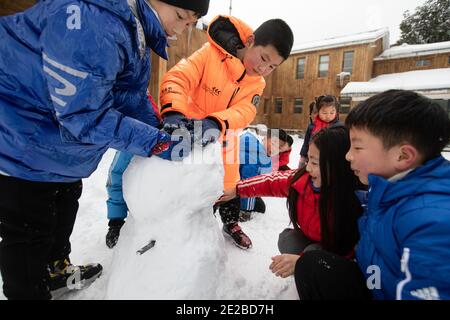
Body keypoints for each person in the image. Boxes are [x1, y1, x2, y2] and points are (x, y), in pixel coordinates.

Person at [0, 0, 209, 300]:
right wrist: (155, 142)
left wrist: (161, 127)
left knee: (64, 201)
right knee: (28, 227)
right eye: (179, 16)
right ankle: (28, 292)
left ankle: (55, 268)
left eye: (189, 24)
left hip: (53, 140)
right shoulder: (93, 19)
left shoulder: (131, 29)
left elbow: (130, 98)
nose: (179, 29)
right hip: (21, 134)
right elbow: (85, 115)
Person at [105, 15, 295, 250]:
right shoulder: (210, 54)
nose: (263, 68)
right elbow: (178, 77)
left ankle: (230, 223)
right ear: (251, 41)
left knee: (228, 186)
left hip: (224, 137)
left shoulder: (257, 84)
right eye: (264, 58)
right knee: (181, 187)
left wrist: (216, 123)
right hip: (189, 132)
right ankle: (153, 232)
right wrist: (174, 111)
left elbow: (245, 111)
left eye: (272, 67)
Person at [294, 90, 450, 300]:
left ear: (403, 156)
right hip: (375, 279)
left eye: (357, 147)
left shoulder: (431, 220)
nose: (348, 156)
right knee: (311, 265)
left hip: (381, 291)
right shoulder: (386, 183)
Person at [219, 125, 363, 278]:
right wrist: (237, 189)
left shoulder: (354, 199)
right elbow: (270, 182)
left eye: (314, 162)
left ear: (338, 166)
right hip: (316, 241)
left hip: (340, 255)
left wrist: (302, 261)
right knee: (288, 240)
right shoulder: (304, 180)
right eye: (308, 160)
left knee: (311, 254)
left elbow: (352, 249)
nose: (307, 168)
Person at [238, 128, 277, 222]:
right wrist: (246, 211)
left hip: (237, 185)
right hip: (233, 188)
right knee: (260, 208)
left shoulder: (258, 149)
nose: (275, 149)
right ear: (264, 139)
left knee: (259, 205)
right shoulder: (254, 158)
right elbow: (248, 184)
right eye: (272, 144)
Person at [299, 95, 341, 167]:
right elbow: (306, 143)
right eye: (324, 113)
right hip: (312, 159)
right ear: (318, 111)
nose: (328, 116)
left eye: (332, 113)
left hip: (330, 161)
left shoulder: (338, 127)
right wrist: (303, 157)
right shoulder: (312, 126)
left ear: (336, 112)